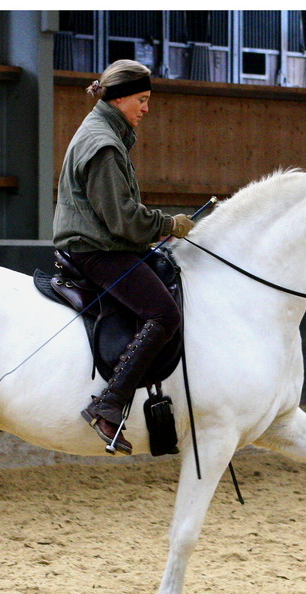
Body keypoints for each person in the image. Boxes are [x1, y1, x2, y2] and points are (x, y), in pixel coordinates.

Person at [53, 59, 195, 455]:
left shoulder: (105, 133)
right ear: (119, 99)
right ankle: (109, 404)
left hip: (101, 244)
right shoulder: (104, 146)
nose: (147, 109)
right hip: (98, 251)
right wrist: (170, 224)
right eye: (142, 99)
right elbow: (123, 221)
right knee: (164, 314)